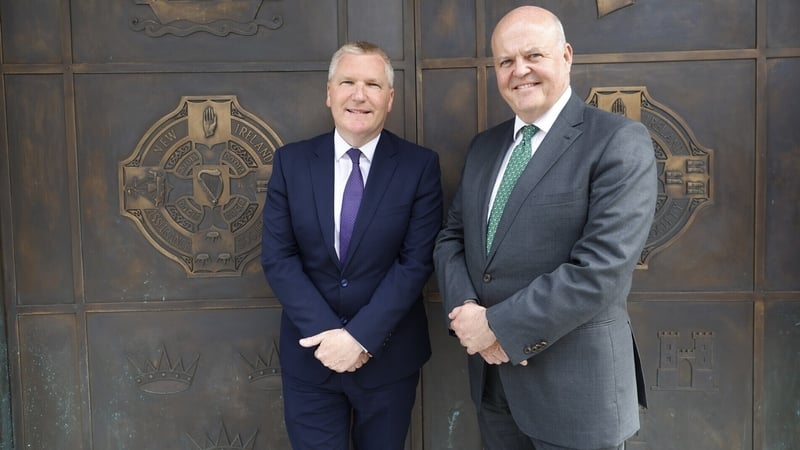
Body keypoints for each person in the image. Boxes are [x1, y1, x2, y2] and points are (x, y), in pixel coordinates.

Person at [433, 6, 655, 450]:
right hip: (494, 388)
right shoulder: (485, 147)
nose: (520, 71)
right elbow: (451, 238)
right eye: (505, 61)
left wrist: (496, 325)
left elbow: (601, 271)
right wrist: (467, 314)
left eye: (533, 55)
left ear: (567, 56)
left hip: (576, 395)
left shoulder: (617, 141)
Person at [261, 41, 443, 450]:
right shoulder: (291, 163)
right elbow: (278, 257)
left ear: (389, 98)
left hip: (388, 361)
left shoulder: (419, 166)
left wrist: (358, 338)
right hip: (312, 359)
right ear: (329, 93)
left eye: (372, 85)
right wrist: (330, 336)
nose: (359, 95)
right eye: (348, 82)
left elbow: (415, 263)